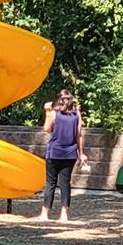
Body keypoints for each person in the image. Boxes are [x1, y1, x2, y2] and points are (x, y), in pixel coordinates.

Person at [39, 88, 87, 223]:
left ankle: (45, 214)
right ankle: (64, 215)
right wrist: (81, 153)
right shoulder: (76, 114)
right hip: (70, 153)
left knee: (51, 184)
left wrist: (47, 112)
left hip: (54, 152)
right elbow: (79, 134)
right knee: (65, 183)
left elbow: (47, 129)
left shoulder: (54, 113)